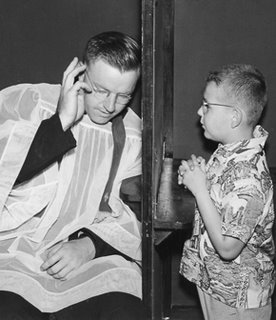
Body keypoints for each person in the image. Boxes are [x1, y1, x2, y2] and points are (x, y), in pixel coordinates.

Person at [0, 31, 144, 319]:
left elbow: (136, 211)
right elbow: (7, 173)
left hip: (86, 257)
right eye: (101, 90)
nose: (110, 105)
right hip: (16, 252)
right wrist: (61, 122)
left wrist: (90, 245)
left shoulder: (131, 133)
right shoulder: (30, 102)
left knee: (125, 311)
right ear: (80, 75)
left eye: (124, 95)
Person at [178, 64, 275, 320]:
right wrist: (200, 179)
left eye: (207, 105)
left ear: (234, 117)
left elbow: (228, 248)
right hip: (218, 284)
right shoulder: (229, 150)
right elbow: (223, 202)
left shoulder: (250, 179)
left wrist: (200, 190)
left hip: (240, 300)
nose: (199, 111)